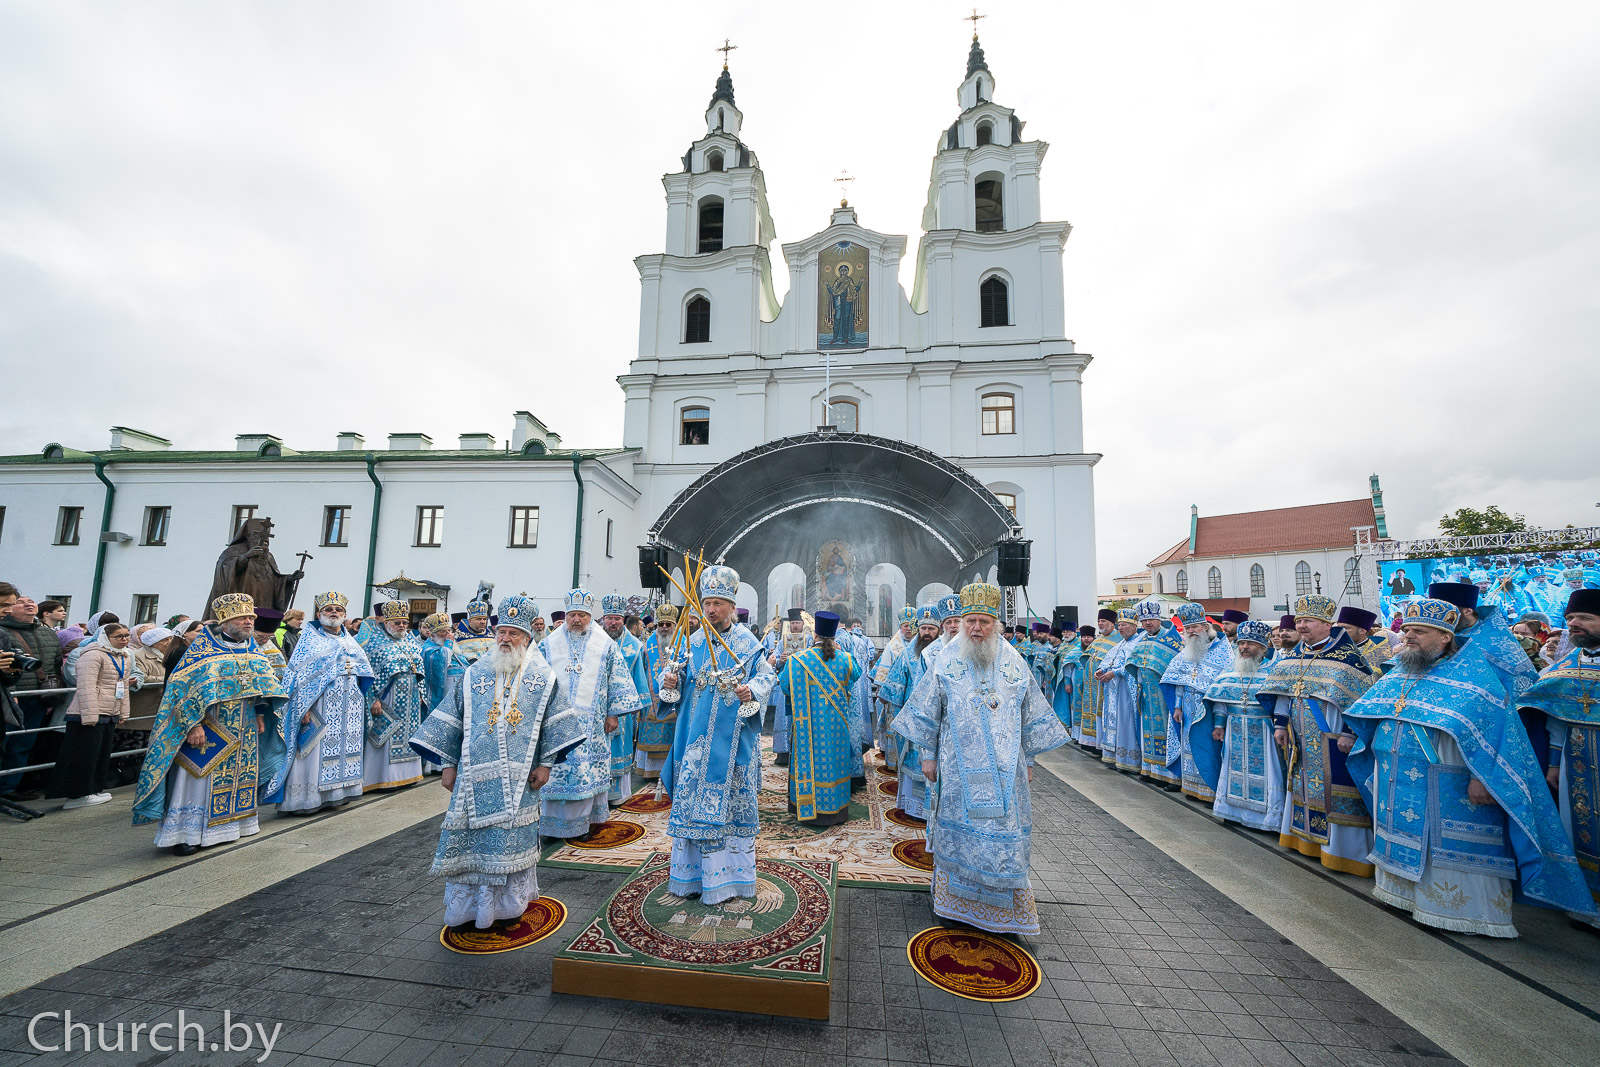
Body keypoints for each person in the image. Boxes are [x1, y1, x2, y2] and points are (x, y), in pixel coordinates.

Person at [1345, 597, 1594, 937]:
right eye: (1406, 630)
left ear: (1445, 636)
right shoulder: (1400, 671)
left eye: (1418, 630)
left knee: (1446, 851)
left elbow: (1497, 738)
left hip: (1451, 783)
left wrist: (1483, 778)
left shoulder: (1477, 678)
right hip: (1396, 780)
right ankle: (1402, 896)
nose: (1408, 636)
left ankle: (1464, 913)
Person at [893, 582, 1068, 934]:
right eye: (970, 620)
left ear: (996, 625)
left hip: (1007, 772)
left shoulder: (1014, 660)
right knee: (958, 835)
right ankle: (953, 906)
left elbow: (1030, 712)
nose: (975, 628)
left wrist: (1029, 760)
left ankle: (1002, 913)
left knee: (1004, 833)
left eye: (983, 622)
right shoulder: (945, 659)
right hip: (957, 769)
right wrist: (927, 755)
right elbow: (928, 710)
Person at [409, 594, 588, 930]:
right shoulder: (474, 672)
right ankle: (467, 908)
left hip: (520, 779)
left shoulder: (542, 677)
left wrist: (546, 764)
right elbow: (452, 718)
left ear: (527, 638)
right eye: (501, 632)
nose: (506, 639)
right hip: (471, 778)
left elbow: (555, 725)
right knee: (471, 846)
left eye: (513, 634)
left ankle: (508, 905)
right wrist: (448, 764)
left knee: (508, 844)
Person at [132, 594, 289, 854]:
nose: (249, 622)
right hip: (210, 728)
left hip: (245, 727)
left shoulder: (252, 649)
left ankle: (231, 827)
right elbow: (181, 692)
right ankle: (188, 834)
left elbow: (262, 685)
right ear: (225, 620)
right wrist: (194, 725)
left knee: (240, 776)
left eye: (251, 617)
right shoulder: (202, 652)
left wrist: (261, 713)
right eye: (242, 617)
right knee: (198, 780)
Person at [658, 565, 776, 902]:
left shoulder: (748, 644)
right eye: (707, 603)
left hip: (734, 745)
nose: (711, 610)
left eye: (718, 604)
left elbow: (768, 678)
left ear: (731, 605)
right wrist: (671, 682)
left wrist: (751, 690)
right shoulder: (692, 642)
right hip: (695, 746)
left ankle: (730, 881)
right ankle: (693, 877)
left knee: (731, 811)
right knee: (691, 807)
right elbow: (677, 679)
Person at [1259, 595, 1375, 875]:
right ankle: (1304, 842)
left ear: (1327, 624)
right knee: (1301, 785)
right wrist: (1279, 725)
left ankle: (1340, 852)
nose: (1301, 626)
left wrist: (1350, 732)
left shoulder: (1349, 659)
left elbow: (1362, 699)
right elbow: (1284, 694)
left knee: (1335, 789)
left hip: (1333, 736)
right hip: (1299, 738)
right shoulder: (1295, 656)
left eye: (1308, 621)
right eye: (1299, 620)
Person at [1519, 589, 1600, 927]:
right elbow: (1553, 718)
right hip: (1575, 762)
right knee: (1576, 829)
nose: (1574, 624)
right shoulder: (1567, 666)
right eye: (1570, 619)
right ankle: (1587, 905)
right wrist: (1553, 764)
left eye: (1584, 618)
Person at [538, 590, 643, 837]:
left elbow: (618, 681)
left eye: (582, 615)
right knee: (556, 772)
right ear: (566, 615)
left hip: (592, 725)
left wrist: (613, 714)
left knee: (587, 773)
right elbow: (537, 678)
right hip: (555, 724)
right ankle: (551, 826)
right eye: (573, 615)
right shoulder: (548, 644)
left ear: (590, 616)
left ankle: (584, 824)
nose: (577, 620)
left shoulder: (604, 644)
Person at [271, 591, 374, 814]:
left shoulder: (350, 640)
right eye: (329, 609)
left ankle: (338, 793)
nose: (334, 613)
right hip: (320, 706)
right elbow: (298, 678)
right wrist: (303, 707)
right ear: (319, 614)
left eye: (339, 610)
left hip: (349, 706)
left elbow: (364, 670)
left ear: (345, 614)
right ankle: (306, 800)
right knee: (313, 750)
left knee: (344, 748)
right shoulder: (310, 641)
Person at [775, 611, 861, 826]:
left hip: (807, 725)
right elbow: (855, 677)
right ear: (834, 634)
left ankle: (805, 805)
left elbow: (785, 686)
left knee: (809, 761)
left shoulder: (797, 661)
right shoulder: (846, 659)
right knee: (835, 761)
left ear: (814, 633)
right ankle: (836, 810)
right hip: (836, 726)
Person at [1207, 620, 1282, 830]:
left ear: (1263, 647)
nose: (1244, 648)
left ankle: (1266, 820)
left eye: (1250, 643)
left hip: (1264, 730)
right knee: (1232, 770)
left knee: (1270, 773)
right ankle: (1232, 812)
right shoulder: (1231, 669)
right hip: (1235, 728)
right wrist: (1219, 725)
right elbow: (1221, 701)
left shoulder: (1275, 670)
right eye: (1241, 643)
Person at [56, 622, 135, 809]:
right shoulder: (92, 655)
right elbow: (86, 686)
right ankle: (78, 794)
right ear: (107, 637)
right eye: (119, 636)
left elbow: (122, 687)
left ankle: (93, 788)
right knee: (84, 755)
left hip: (109, 711)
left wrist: (123, 712)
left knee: (100, 754)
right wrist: (90, 715)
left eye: (126, 635)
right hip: (90, 712)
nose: (124, 639)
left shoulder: (124, 656)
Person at [1162, 604, 1233, 803]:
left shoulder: (1222, 650)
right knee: (1188, 747)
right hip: (1186, 706)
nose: (1192, 631)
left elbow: (1223, 681)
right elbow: (1178, 681)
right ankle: (1191, 787)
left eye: (1196, 627)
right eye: (1188, 628)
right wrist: (1177, 706)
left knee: (1207, 747)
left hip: (1207, 708)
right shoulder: (1186, 651)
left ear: (1205, 627)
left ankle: (1210, 789)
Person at [0, 595, 65, 800]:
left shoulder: (47, 633)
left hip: (37, 697)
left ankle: (10, 788)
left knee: (25, 744)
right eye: (20, 602)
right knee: (5, 742)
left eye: (31, 601)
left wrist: (51, 694)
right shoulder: (4, 632)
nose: (28, 604)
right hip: (12, 696)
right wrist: (11, 692)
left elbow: (55, 663)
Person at [878, 606, 941, 819]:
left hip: (939, 722)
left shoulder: (946, 653)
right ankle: (914, 808)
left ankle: (934, 810)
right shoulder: (908, 654)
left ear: (938, 630)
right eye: (923, 628)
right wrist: (898, 716)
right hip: (912, 719)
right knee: (913, 763)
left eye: (931, 628)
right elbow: (895, 685)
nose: (927, 633)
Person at [364, 601, 426, 791]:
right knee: (386, 735)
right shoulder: (374, 644)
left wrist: (421, 692)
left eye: (404, 623)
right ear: (387, 623)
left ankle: (408, 775)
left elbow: (419, 668)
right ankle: (382, 777)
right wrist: (373, 698)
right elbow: (368, 674)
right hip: (387, 696)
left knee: (409, 735)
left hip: (411, 697)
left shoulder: (410, 642)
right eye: (397, 623)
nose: (401, 626)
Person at [599, 594, 651, 803]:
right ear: (603, 619)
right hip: (598, 708)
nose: (613, 622)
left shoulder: (635, 646)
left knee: (620, 746)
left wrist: (639, 709)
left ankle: (618, 795)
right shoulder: (596, 642)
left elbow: (640, 679)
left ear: (623, 620)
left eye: (617, 619)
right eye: (609, 618)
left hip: (623, 711)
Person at [1128, 600, 1183, 786]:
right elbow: (1134, 662)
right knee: (1148, 731)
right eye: (1144, 621)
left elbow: (1177, 667)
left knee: (1166, 732)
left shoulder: (1172, 639)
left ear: (1158, 618)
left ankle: (1168, 774)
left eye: (1151, 619)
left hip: (1163, 694)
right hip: (1145, 693)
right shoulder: (1142, 638)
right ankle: (1150, 769)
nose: (1147, 624)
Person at [636, 604, 681, 782]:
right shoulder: (647, 646)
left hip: (676, 703)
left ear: (674, 625)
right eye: (660, 624)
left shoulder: (682, 644)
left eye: (667, 625)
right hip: (651, 703)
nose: (663, 628)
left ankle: (671, 772)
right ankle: (651, 772)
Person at [763, 608, 811, 768]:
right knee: (784, 717)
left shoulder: (809, 640)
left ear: (803, 624)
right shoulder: (783, 641)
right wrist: (781, 659)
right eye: (793, 623)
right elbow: (774, 660)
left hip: (804, 685)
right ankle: (783, 753)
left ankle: (801, 752)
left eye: (798, 622)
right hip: (786, 683)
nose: (795, 625)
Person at [1097, 608, 1143, 771]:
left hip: (1127, 692)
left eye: (1123, 625)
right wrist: (1101, 670)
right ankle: (1116, 756)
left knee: (1127, 723)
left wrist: (1114, 673)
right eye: (1119, 625)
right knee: (1117, 722)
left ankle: (1129, 761)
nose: (1120, 628)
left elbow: (1134, 665)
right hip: (1115, 692)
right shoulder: (1121, 643)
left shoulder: (1139, 642)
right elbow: (1109, 660)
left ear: (1133, 626)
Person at [873, 607, 916, 772]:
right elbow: (883, 672)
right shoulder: (893, 646)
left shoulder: (920, 644)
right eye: (905, 625)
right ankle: (894, 763)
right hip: (894, 696)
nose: (908, 629)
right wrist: (883, 692)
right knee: (894, 728)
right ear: (900, 627)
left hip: (912, 696)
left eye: (911, 625)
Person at [1074, 610, 1120, 751]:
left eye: (1104, 621)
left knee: (1101, 713)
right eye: (1099, 621)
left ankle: (1099, 742)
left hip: (1104, 684)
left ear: (1112, 623)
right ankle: (1089, 741)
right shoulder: (1098, 639)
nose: (1100, 624)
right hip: (1090, 684)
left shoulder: (1118, 640)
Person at [1335, 606, 1392, 670]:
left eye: (1345, 628)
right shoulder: (1335, 649)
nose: (1339, 631)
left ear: (1362, 631)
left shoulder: (1379, 654)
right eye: (1338, 627)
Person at [453, 598, 495, 663]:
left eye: (484, 619)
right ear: (470, 621)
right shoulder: (458, 638)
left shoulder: (491, 636)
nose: (482, 622)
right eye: (478, 619)